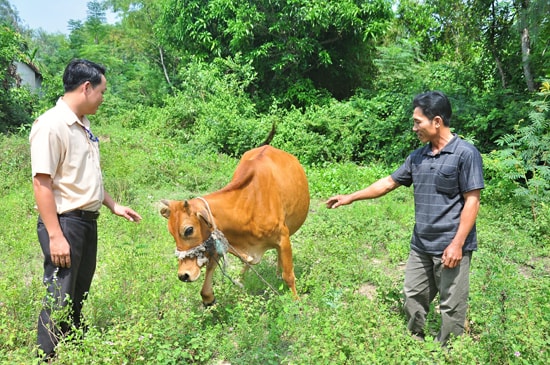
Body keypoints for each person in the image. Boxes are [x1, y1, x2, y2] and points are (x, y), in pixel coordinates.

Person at [326, 91, 484, 345]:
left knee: (452, 306)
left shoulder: (466, 154)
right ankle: (414, 343)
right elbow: (388, 183)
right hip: (421, 244)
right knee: (413, 294)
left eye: (417, 122)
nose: (414, 128)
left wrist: (457, 244)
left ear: (437, 122)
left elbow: (472, 201)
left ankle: (449, 351)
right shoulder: (418, 157)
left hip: (451, 245)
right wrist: (350, 197)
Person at [30, 59, 142, 360]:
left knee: (78, 291)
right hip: (65, 223)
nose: (103, 99)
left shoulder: (83, 126)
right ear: (86, 87)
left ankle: (76, 350)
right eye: (102, 92)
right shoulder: (52, 125)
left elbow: (83, 176)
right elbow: (42, 183)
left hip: (85, 223)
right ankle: (47, 356)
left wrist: (113, 204)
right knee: (59, 295)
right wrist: (55, 235)